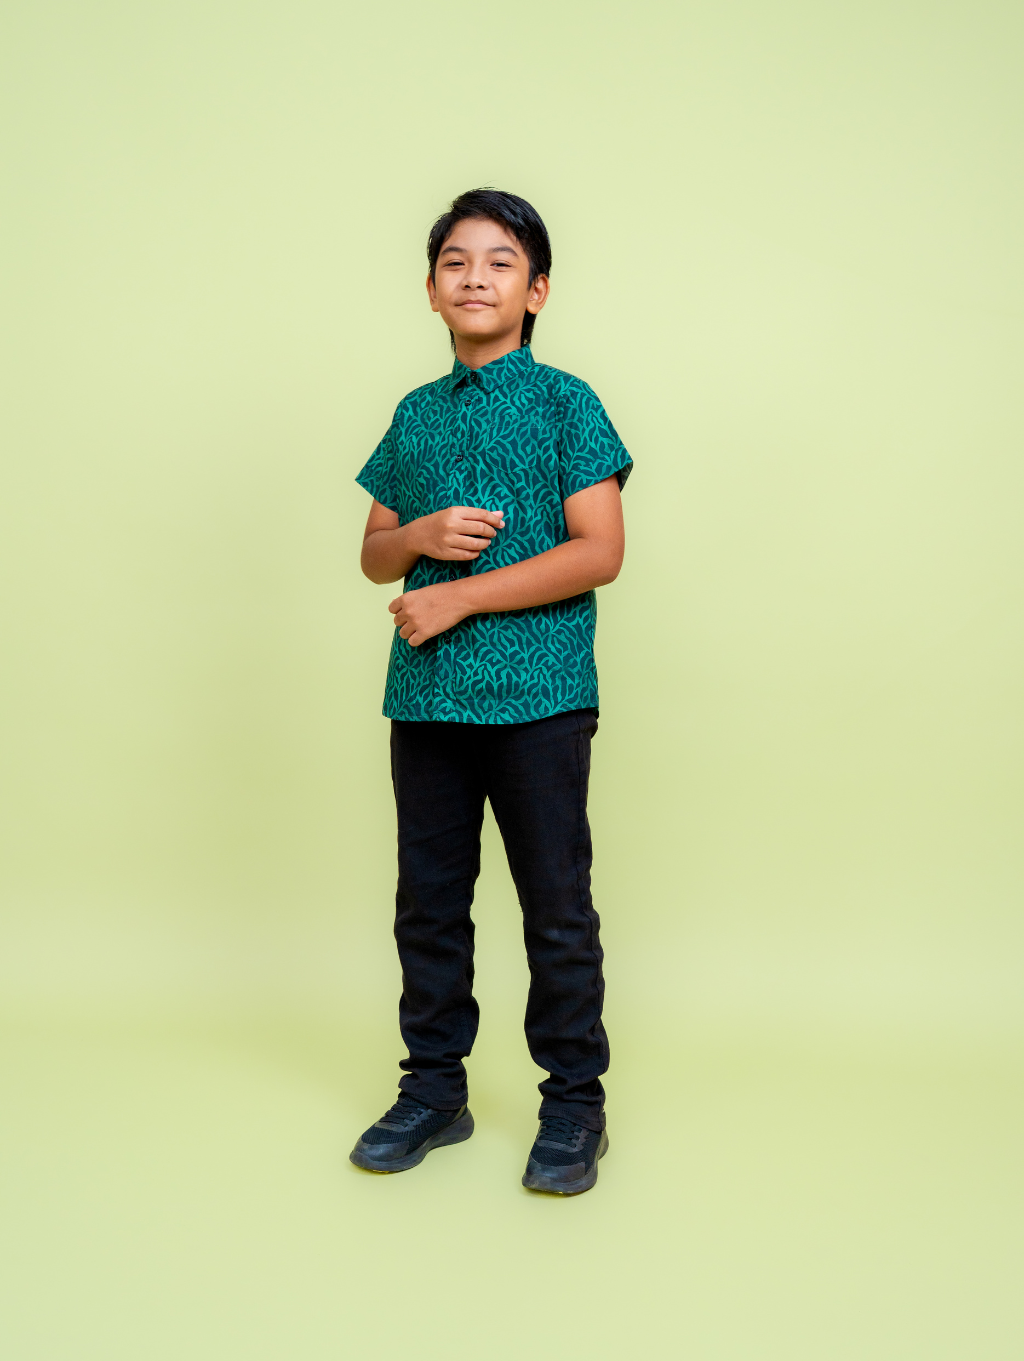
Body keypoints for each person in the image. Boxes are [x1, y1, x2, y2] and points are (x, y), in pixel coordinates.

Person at [349, 188, 632, 1195]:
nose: (476, 277)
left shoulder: (567, 402)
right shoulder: (413, 414)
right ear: (430, 289)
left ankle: (575, 1105)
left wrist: (460, 592)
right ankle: (434, 1090)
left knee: (554, 908)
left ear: (537, 290)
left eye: (500, 261)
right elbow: (374, 556)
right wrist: (419, 537)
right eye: (455, 261)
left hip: (540, 697)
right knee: (427, 906)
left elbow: (600, 552)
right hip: (426, 697)